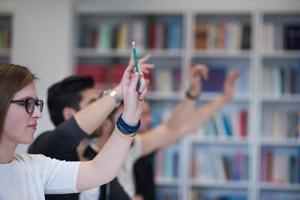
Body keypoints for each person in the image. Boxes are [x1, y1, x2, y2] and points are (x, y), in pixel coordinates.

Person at [79, 64, 240, 200]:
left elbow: (173, 128)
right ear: (107, 123)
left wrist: (211, 96)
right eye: (138, 111)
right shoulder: (87, 159)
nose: (147, 120)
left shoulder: (131, 146)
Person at [0, 63, 147, 200]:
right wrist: (120, 91)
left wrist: (131, 115)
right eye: (28, 103)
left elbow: (100, 171)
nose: (38, 113)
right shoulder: (46, 146)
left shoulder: (33, 167)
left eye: (37, 104)